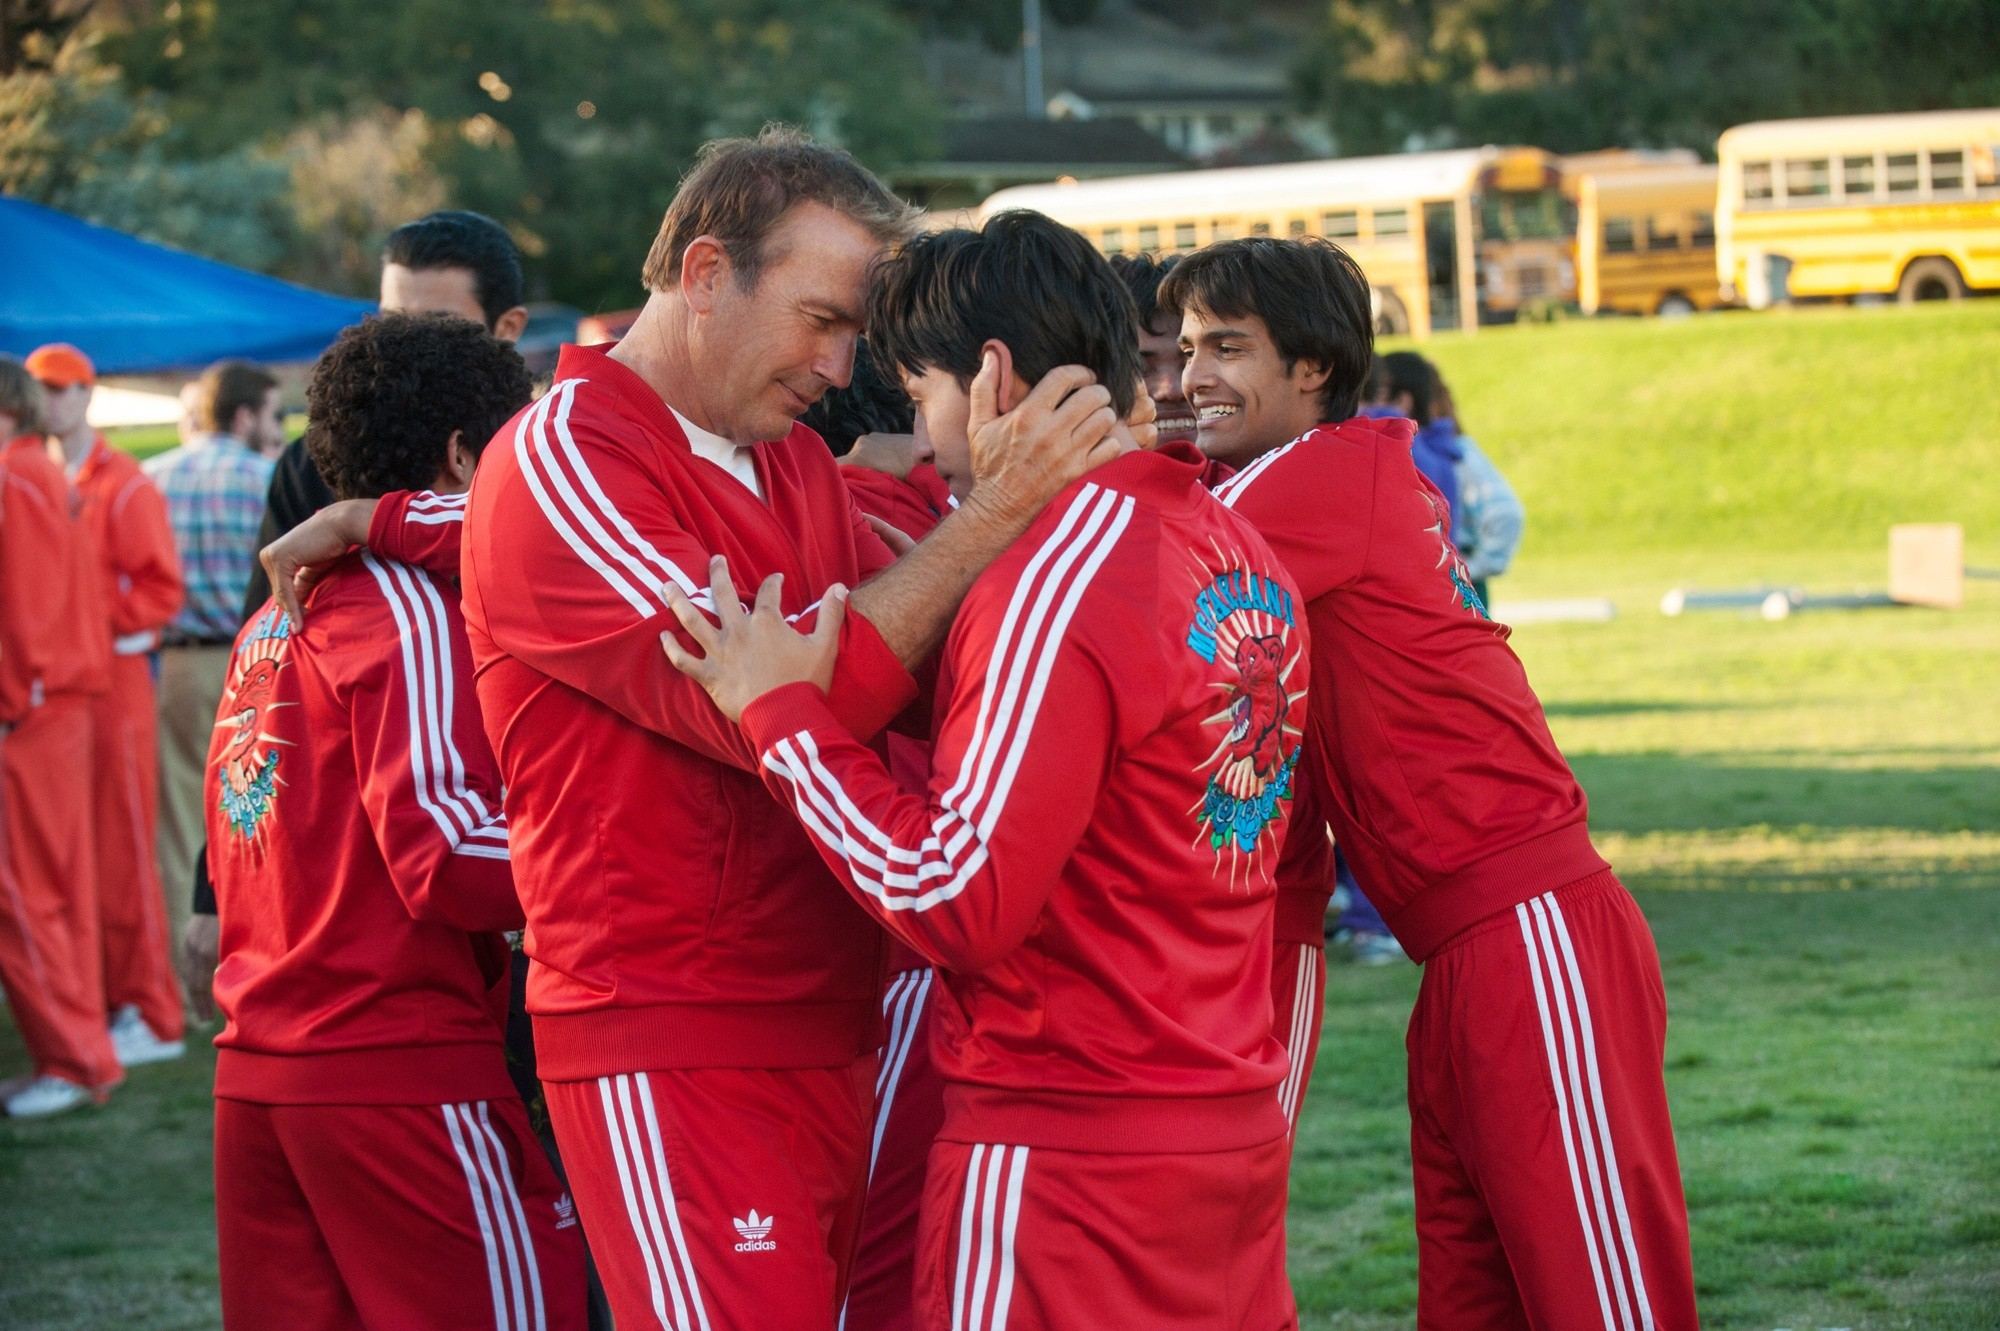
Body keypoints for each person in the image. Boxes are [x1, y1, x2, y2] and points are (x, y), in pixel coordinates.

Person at [362, 129, 1120, 1331]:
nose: (839, 363)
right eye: (820, 318)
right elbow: (797, 700)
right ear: (706, 272)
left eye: (854, 332)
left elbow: (919, 649)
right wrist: (1003, 509)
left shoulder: (796, 468)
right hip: (671, 1026)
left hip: (821, 1012)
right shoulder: (569, 452)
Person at [665, 209, 1308, 1331]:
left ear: (991, 376)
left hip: (1065, 1146)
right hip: (1220, 1118)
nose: (919, 427)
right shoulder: (1232, 542)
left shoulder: (1055, 576)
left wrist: (780, 716)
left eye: (919, 393)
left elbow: (952, 892)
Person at [1164, 237, 1699, 1329]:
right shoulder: (1324, 473)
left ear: (1312, 366)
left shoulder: (1308, 475)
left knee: (1601, 1298)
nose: (1188, 378)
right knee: (1476, 1296)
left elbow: (1124, 575)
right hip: (1464, 948)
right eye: (1181, 350)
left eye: (1226, 345)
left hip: (1526, 929)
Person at [204, 313, 587, 1329]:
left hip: (263, 1067)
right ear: (465, 455)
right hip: (392, 1065)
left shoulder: (272, 616)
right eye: (511, 451)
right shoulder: (408, 607)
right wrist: (620, 845)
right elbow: (449, 853)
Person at [28, 343, 189, 1068]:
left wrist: (78, 614)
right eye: (41, 390)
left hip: (115, 684)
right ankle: (109, 999)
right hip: (70, 687)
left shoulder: (121, 484)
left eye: (63, 390)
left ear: (88, 394)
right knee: (80, 854)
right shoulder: (50, 475)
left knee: (125, 850)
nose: (52, 401)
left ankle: (153, 1012)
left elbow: (160, 591)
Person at [0, 356, 120, 1118]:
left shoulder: (17, 478)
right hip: (53, 701)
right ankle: (79, 1052)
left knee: (28, 893)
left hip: (33, 710)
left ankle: (74, 1058)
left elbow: (27, 608)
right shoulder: (36, 472)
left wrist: (14, 698)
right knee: (51, 888)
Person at [144, 360, 281, 958]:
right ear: (247, 414)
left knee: (178, 825)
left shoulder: (152, 477)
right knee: (259, 818)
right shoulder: (267, 477)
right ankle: (256, 954)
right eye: (274, 414)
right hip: (260, 665)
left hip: (177, 665)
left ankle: (183, 972)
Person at [1109, 252, 1196, 446]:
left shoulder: (1274, 470)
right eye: (1138, 369)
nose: (1172, 391)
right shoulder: (1048, 475)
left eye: (1191, 360)